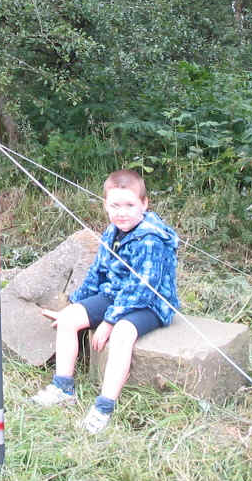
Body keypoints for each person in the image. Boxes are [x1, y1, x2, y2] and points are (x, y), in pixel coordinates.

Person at [31, 169, 179, 433]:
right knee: (69, 320)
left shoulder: (150, 240)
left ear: (144, 204)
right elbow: (97, 273)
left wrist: (109, 321)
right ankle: (63, 388)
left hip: (149, 303)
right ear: (105, 205)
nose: (122, 212)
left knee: (122, 333)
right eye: (115, 205)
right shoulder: (112, 231)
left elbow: (142, 290)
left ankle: (103, 407)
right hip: (115, 295)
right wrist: (75, 305)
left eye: (130, 205)